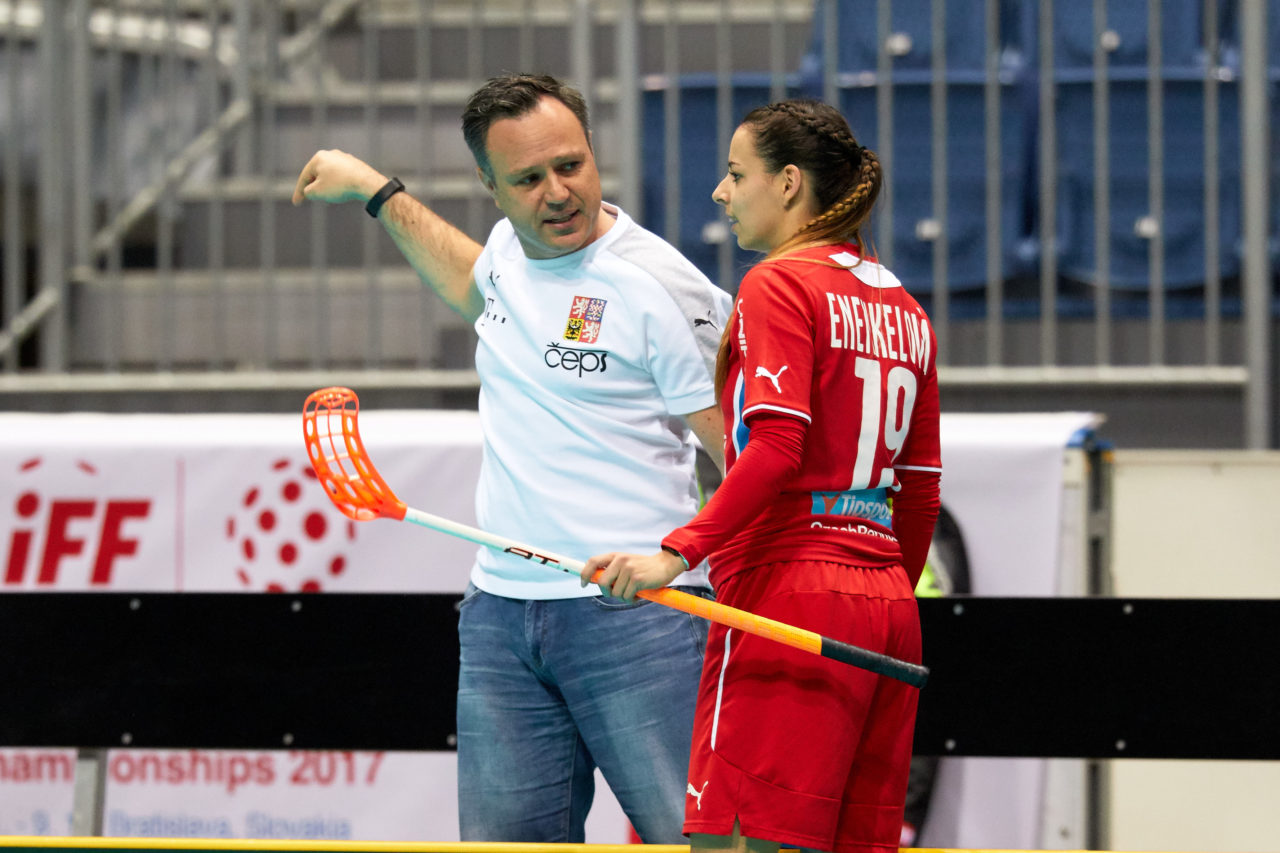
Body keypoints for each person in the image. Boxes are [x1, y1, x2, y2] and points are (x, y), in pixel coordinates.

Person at [292, 73, 731, 843]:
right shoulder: (504, 253)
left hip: (638, 621)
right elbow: (473, 281)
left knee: (695, 841)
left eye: (572, 165)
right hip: (499, 616)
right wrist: (376, 191)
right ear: (490, 186)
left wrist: (686, 559)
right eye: (527, 179)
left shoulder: (660, 287)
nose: (557, 192)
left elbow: (743, 453)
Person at [582, 98, 942, 853]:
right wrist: (876, 592)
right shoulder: (905, 306)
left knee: (737, 844)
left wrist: (677, 551)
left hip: (788, 595)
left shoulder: (778, 284)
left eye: (735, 172)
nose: (720, 191)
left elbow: (776, 446)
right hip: (887, 608)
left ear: (786, 185)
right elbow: (921, 483)